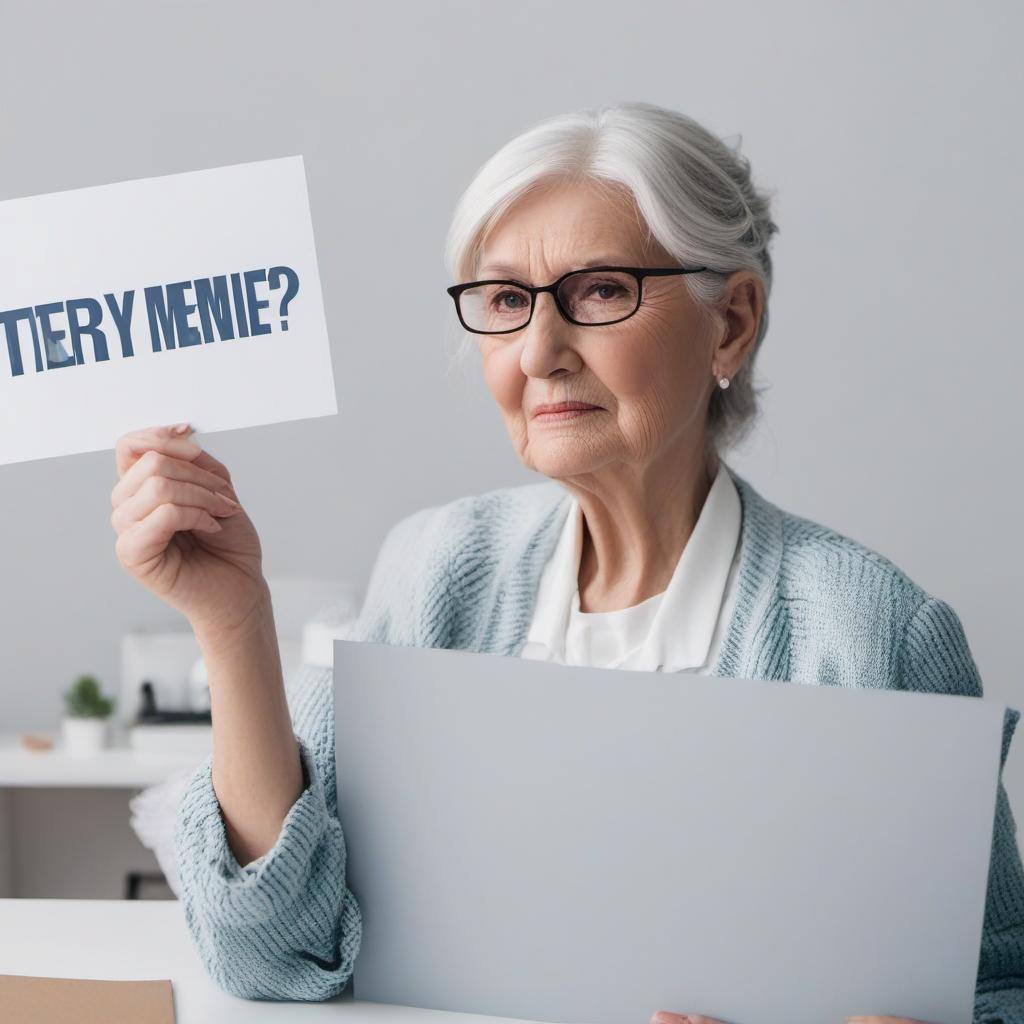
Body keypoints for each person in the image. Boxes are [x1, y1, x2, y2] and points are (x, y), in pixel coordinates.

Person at [108, 102, 1023, 1022]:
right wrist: (233, 624)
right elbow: (274, 952)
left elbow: (999, 990)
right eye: (506, 302)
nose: (539, 353)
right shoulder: (435, 569)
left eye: (598, 291)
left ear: (732, 323)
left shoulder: (871, 632)